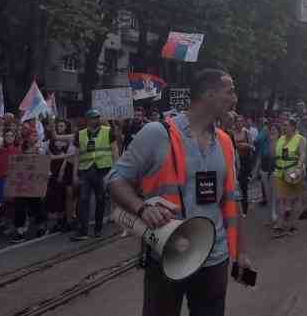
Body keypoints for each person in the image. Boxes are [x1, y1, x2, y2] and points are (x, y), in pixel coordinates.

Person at [108, 69, 247, 316]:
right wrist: (142, 208)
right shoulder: (156, 133)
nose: (234, 98)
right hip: (167, 254)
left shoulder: (226, 141)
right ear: (209, 94)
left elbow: (231, 201)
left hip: (214, 259)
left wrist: (239, 253)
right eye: (230, 91)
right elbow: (116, 179)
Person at [72, 109, 117, 241]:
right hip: (85, 171)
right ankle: (83, 231)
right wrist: (74, 174)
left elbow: (114, 149)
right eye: (93, 118)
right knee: (83, 199)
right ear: (87, 120)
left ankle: (98, 228)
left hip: (102, 170)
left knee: (101, 199)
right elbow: (76, 155)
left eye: (97, 118)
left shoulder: (107, 131)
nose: (95, 120)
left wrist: (115, 169)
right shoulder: (79, 134)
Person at [12, 122, 48, 242]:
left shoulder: (41, 148)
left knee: (36, 204)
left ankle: (41, 225)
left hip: (36, 180)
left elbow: (44, 162)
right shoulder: (20, 148)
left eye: (35, 135)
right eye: (32, 136)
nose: (34, 137)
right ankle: (19, 229)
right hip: (23, 181)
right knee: (19, 204)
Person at [272, 117, 306, 237]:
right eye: (283, 125)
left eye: (286, 125)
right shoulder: (280, 139)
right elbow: (275, 154)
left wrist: (298, 168)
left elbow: (302, 154)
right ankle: (280, 225)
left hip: (293, 171)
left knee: (293, 199)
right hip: (279, 172)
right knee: (280, 198)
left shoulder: (300, 139)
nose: (284, 127)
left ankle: (292, 225)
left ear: (293, 126)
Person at [46, 119, 76, 232]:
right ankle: (60, 220)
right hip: (54, 171)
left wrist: (59, 159)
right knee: (57, 196)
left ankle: (69, 219)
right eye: (58, 126)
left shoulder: (70, 139)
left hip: (66, 169)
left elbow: (71, 155)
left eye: (62, 126)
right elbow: (49, 155)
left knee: (68, 195)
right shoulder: (52, 141)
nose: (60, 128)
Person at [232, 115, 254, 218]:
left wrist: (247, 146)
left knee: (244, 186)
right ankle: (234, 208)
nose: (239, 123)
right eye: (238, 122)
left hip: (245, 162)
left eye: (241, 121)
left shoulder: (247, 133)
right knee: (234, 186)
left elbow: (253, 147)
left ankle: (244, 209)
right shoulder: (231, 133)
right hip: (234, 161)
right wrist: (236, 146)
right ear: (235, 123)